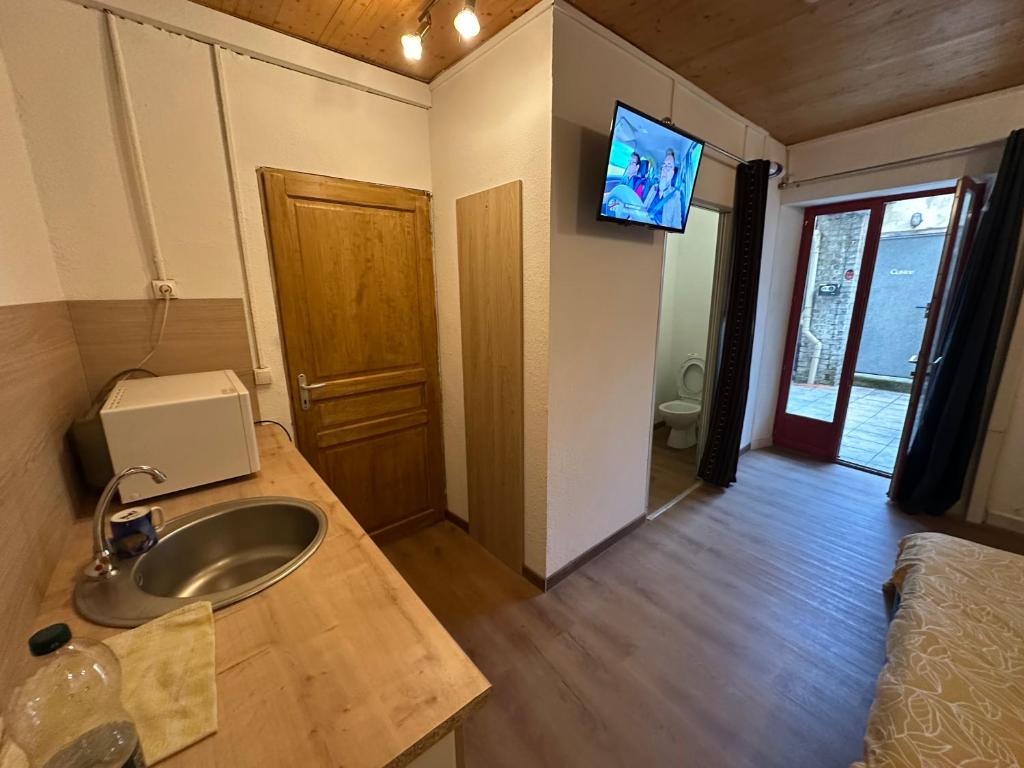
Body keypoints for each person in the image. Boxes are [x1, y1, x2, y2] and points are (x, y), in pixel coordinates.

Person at [644, 149, 683, 229]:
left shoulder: (676, 195)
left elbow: (677, 226)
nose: (665, 169)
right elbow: (643, 209)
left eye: (669, 166)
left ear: (672, 173)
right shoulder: (654, 188)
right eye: (664, 165)